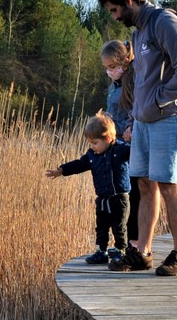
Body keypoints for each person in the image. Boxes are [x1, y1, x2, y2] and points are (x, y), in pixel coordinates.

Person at [97, 0, 177, 277]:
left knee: (168, 185)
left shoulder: (164, 22)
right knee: (144, 184)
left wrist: (157, 100)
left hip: (170, 117)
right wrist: (137, 115)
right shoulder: (139, 34)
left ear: (129, 0)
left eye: (115, 10)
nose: (114, 17)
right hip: (143, 122)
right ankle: (143, 253)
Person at [45, 112, 131, 265]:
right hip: (102, 198)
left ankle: (120, 251)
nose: (92, 146)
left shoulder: (121, 150)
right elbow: (79, 164)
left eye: (95, 142)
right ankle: (101, 251)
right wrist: (62, 170)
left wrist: (133, 138)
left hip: (119, 197)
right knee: (101, 227)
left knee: (119, 226)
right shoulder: (92, 155)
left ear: (108, 139)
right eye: (90, 143)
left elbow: (135, 151)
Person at [100, 39, 141, 254]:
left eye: (111, 67)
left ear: (123, 62)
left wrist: (131, 125)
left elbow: (138, 106)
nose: (109, 72)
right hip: (115, 144)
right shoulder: (113, 85)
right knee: (118, 194)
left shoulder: (133, 81)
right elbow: (112, 110)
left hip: (130, 145)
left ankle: (133, 241)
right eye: (106, 68)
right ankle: (120, 242)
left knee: (131, 192)